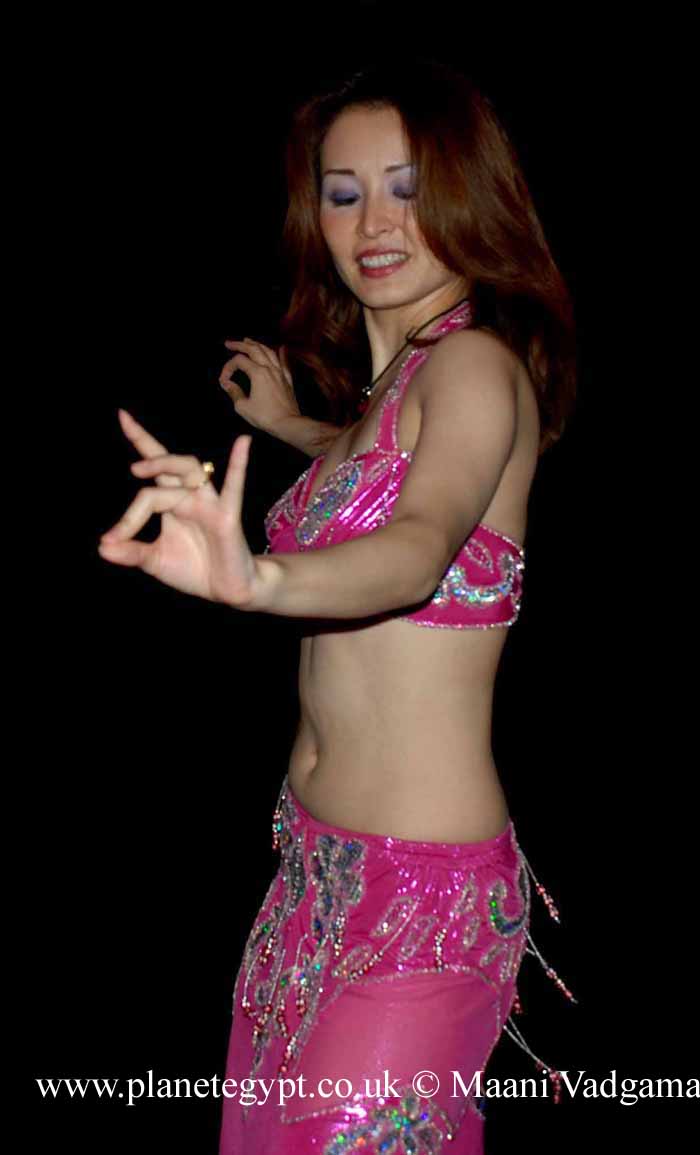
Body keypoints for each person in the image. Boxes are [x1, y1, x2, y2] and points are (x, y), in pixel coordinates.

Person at [99, 58, 578, 1155]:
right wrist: (292, 429)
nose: (374, 222)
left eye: (408, 187)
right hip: (313, 876)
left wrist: (259, 580)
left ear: (469, 195)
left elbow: (415, 547)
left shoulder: (474, 367)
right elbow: (375, 473)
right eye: (343, 191)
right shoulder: (393, 389)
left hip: (420, 905)